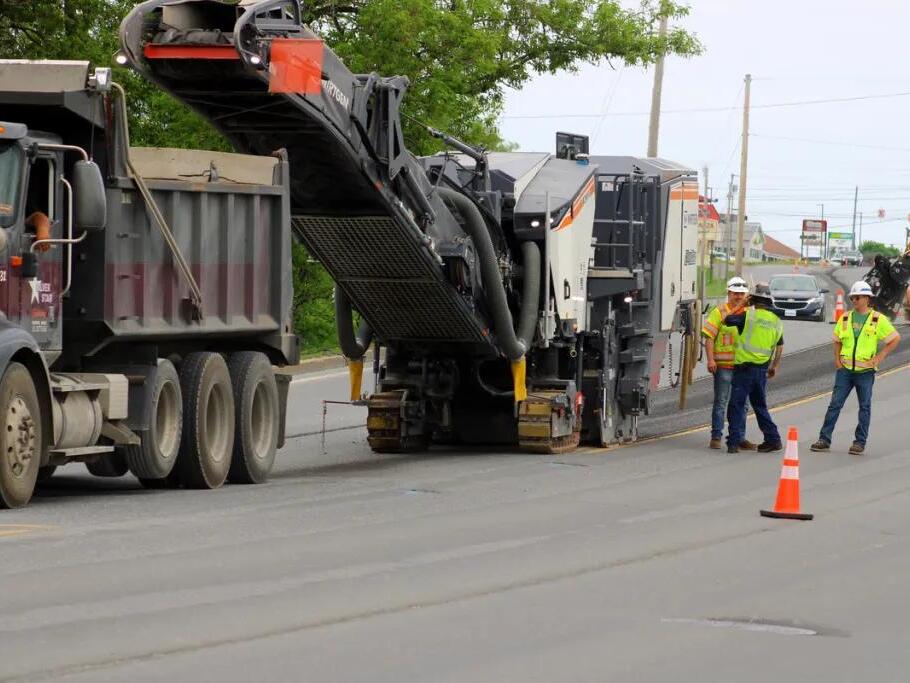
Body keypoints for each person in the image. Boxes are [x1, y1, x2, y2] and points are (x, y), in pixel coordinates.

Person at [811, 280, 900, 455]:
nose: (854, 301)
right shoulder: (845, 318)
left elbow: (895, 338)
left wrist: (880, 357)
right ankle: (824, 439)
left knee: (864, 407)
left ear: (867, 298)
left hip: (865, 372)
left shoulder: (877, 319)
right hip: (845, 371)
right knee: (834, 405)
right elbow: (837, 340)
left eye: (857, 297)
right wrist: (837, 360)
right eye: (852, 298)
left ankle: (859, 442)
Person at [723, 282, 784, 454]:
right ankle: (773, 439)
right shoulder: (776, 322)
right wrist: (775, 366)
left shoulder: (748, 316)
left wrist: (742, 304)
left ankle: (733, 443)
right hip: (762, 370)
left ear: (753, 300)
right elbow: (779, 346)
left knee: (736, 405)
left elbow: (726, 320)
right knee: (759, 405)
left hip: (744, 370)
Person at [701, 276, 755, 450]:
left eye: (741, 294)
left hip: (743, 366)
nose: (738, 297)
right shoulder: (719, 312)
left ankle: (740, 438)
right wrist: (710, 359)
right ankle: (716, 436)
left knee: (743, 404)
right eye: (735, 293)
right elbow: (709, 337)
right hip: (723, 366)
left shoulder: (750, 313)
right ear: (729, 293)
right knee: (721, 402)